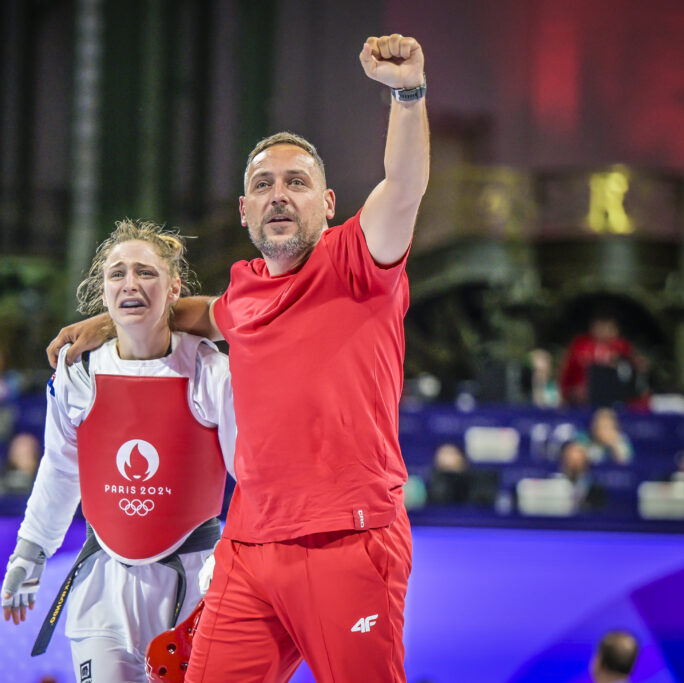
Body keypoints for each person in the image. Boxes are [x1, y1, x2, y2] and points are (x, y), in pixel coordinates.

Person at [49, 33, 429, 683]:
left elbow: (404, 184)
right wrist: (108, 320)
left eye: (297, 182)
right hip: (250, 546)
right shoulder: (247, 289)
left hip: (348, 540)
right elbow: (201, 313)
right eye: (263, 184)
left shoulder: (360, 262)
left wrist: (408, 94)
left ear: (328, 204)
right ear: (245, 211)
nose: (279, 194)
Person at [1, 220, 236, 682]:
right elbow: (60, 469)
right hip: (103, 589)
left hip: (194, 586)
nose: (130, 283)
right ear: (103, 291)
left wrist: (236, 561)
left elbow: (251, 475)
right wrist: (30, 551)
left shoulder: (211, 371)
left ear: (174, 288)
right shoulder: (78, 372)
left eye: (146, 272)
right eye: (117, 273)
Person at [559, 311, 645, 406]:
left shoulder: (622, 347)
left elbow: (633, 374)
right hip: (581, 402)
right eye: (599, 326)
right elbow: (567, 374)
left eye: (607, 327)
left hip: (615, 401)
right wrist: (566, 393)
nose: (603, 330)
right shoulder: (580, 345)